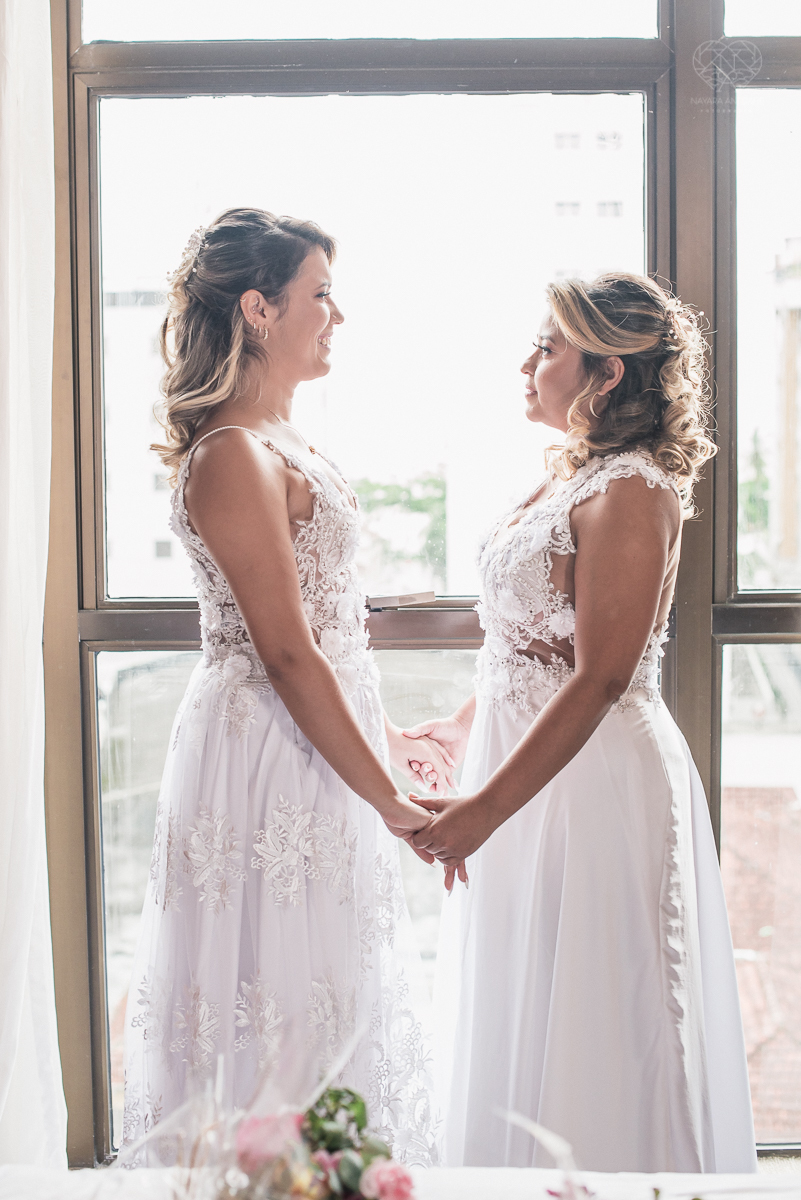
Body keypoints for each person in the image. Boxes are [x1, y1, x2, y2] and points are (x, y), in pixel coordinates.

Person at [405, 273, 757, 1173]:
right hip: (526, 766)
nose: (527, 364)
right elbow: (537, 646)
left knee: (600, 1007)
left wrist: (483, 808)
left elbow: (602, 674)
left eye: (548, 348)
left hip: (592, 782)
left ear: (605, 373)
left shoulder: (634, 490)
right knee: (522, 994)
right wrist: (462, 724)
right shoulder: (574, 477)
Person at [122, 208, 450, 1164]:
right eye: (321, 296)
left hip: (317, 740)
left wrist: (386, 739)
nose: (336, 316)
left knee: (330, 985)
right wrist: (386, 798)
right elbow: (288, 653)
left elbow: (332, 626)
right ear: (260, 310)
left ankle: (325, 1171)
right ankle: (267, 1174)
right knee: (273, 995)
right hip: (266, 749)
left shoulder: (280, 438)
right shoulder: (231, 453)